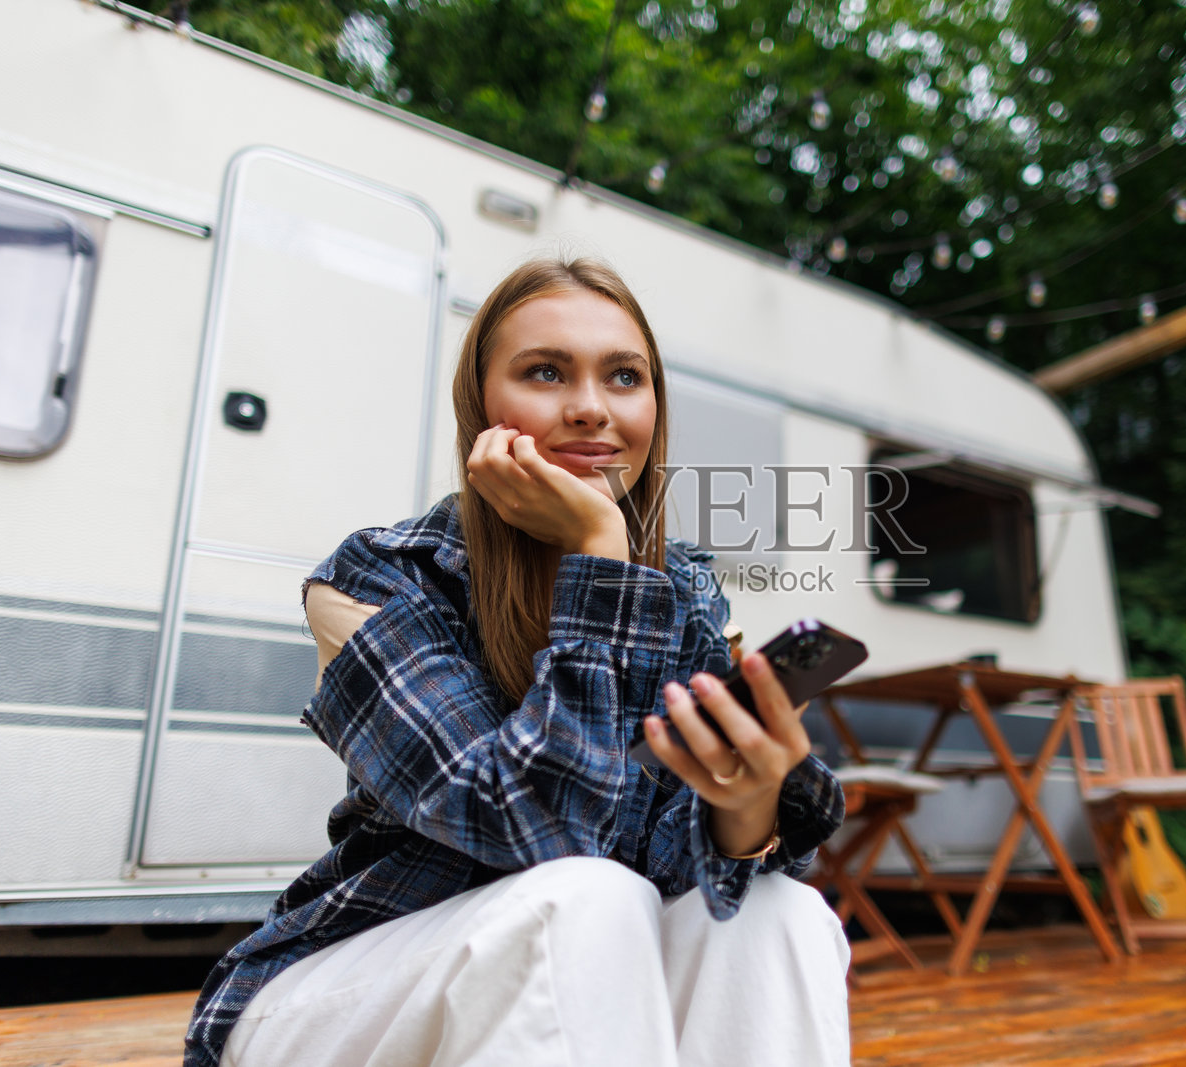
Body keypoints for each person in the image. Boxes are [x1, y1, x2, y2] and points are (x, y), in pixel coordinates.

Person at [182, 257, 851, 1067]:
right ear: (481, 408)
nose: (591, 409)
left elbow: (675, 859)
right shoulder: (380, 578)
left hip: (571, 989)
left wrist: (745, 809)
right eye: (545, 372)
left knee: (777, 913)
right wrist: (600, 557)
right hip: (337, 1005)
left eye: (624, 377)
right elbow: (534, 826)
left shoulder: (686, 595)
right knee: (584, 897)